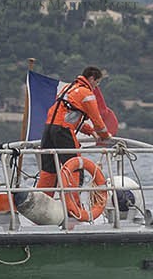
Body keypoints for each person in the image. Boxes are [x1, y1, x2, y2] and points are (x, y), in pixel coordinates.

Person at [37, 65, 110, 200]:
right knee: (75, 167)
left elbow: (68, 115)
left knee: (49, 169)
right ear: (92, 79)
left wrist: (89, 131)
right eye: (97, 83)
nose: (96, 87)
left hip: (49, 130)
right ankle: (73, 206)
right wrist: (105, 136)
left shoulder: (68, 89)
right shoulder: (86, 94)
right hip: (63, 131)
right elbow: (97, 120)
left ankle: (42, 201)